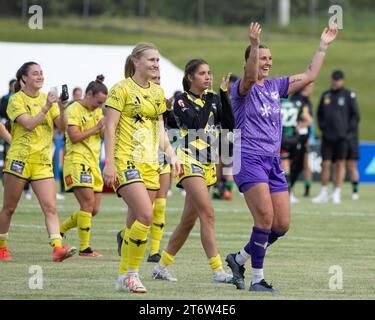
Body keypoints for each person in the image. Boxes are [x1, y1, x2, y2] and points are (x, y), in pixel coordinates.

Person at [225, 22, 338, 292]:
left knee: (281, 225)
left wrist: (323, 45)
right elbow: (251, 76)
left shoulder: (276, 86)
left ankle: (238, 259)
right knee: (264, 221)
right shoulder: (243, 87)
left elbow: (310, 75)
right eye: (262, 58)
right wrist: (254, 44)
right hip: (249, 159)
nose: (267, 62)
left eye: (269, 58)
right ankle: (257, 279)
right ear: (249, 61)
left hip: (272, 162)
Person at [103, 43, 179, 294]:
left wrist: (171, 155)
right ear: (136, 61)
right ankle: (133, 274)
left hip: (151, 164)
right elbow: (110, 127)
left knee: (135, 220)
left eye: (157, 60)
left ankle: (123, 275)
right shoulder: (120, 89)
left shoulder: (158, 93)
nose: (156, 64)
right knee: (147, 216)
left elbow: (160, 131)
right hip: (126, 161)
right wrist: (110, 162)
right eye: (151, 60)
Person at [152, 58, 235, 284]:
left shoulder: (214, 99)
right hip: (189, 162)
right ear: (190, 77)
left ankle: (162, 266)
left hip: (208, 164)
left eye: (209, 73)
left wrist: (224, 95)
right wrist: (210, 98)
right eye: (202, 74)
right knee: (208, 214)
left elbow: (229, 123)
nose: (208, 77)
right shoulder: (181, 100)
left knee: (188, 221)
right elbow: (196, 125)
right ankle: (218, 271)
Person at [0, 61, 76, 262]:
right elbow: (29, 125)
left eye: (41, 73)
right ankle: (2, 246)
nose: (40, 76)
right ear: (24, 78)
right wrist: (46, 108)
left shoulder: (47, 99)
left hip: (42, 161)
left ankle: (57, 248)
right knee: (9, 208)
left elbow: (61, 127)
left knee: (50, 207)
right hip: (19, 160)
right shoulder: (15, 100)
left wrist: (61, 107)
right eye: (35, 73)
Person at [59, 75, 107, 257]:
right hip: (77, 160)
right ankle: (85, 248)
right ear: (89, 94)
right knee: (87, 204)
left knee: (93, 209)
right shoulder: (74, 109)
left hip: (94, 163)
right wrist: (96, 128)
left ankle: (61, 228)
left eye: (102, 103)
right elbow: (74, 137)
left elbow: (102, 135)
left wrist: (105, 127)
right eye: (98, 102)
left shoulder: (97, 111)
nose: (99, 106)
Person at [312, 70, 360, 204]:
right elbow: (319, 114)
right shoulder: (326, 95)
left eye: (338, 79)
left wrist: (348, 133)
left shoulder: (348, 95)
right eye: (334, 79)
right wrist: (323, 128)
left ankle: (336, 192)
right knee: (326, 164)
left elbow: (355, 116)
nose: (335, 81)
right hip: (327, 137)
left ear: (342, 80)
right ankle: (323, 192)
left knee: (340, 164)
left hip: (342, 138)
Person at [280, 94, 312, 203]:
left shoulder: (279, 104)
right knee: (292, 166)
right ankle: (290, 193)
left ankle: (287, 193)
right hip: (294, 138)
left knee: (285, 166)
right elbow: (308, 120)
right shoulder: (296, 104)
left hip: (282, 138)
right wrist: (298, 127)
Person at [212, 74, 237, 201]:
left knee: (223, 162)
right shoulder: (231, 99)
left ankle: (222, 188)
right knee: (225, 162)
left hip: (226, 134)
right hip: (225, 133)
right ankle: (224, 188)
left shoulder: (219, 98)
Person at [290, 83, 315, 197]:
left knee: (306, 164)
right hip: (295, 137)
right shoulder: (295, 99)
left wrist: (310, 136)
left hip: (305, 137)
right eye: (311, 86)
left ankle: (307, 190)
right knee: (292, 164)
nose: (312, 89)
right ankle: (289, 189)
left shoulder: (307, 101)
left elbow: (310, 121)